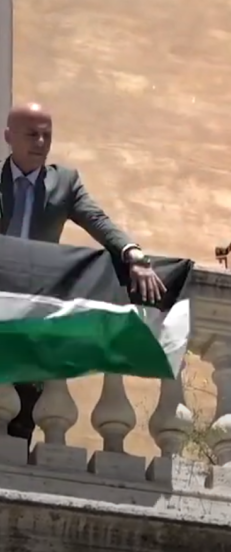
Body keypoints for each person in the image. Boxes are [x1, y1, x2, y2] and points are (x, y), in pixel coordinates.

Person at [1, 102, 166, 446]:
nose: (41, 142)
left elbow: (98, 220)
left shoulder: (65, 182)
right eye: (32, 134)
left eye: (47, 135)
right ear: (8, 137)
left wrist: (132, 253)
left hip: (33, 310)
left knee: (22, 415)